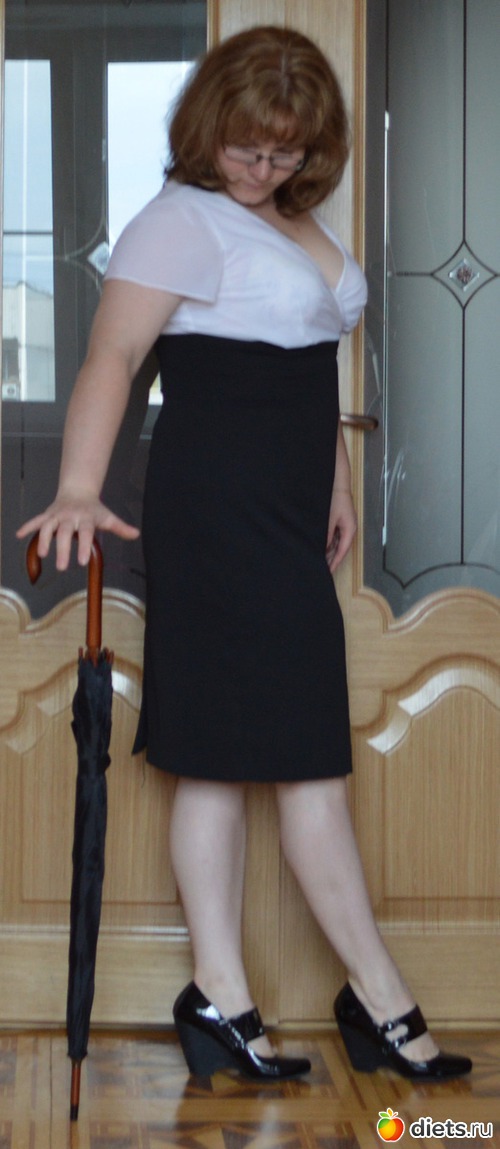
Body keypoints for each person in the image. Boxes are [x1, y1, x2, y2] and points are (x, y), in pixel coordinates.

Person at [18, 26, 471, 1083]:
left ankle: (225, 1002)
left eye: (284, 152)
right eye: (246, 147)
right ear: (207, 124)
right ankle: (374, 999)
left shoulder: (296, 220)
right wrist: (79, 486)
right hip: (216, 511)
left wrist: (336, 481)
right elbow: (112, 357)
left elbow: (310, 366)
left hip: (284, 507)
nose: (262, 169)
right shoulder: (179, 220)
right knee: (279, 759)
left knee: (237, 760)